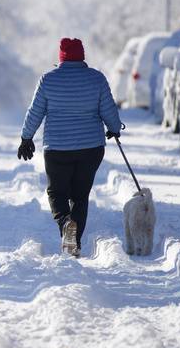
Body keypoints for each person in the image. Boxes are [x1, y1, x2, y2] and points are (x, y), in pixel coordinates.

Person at [17, 38, 122, 257]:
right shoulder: (97, 78)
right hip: (90, 148)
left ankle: (66, 224)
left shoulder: (48, 79)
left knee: (57, 192)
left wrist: (26, 137)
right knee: (80, 195)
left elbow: (35, 111)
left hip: (57, 148)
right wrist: (114, 128)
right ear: (82, 56)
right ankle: (74, 241)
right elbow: (109, 109)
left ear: (61, 57)